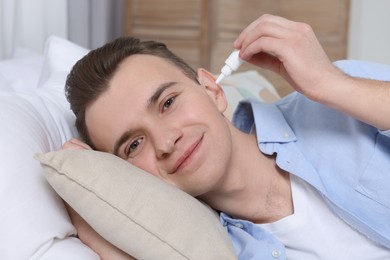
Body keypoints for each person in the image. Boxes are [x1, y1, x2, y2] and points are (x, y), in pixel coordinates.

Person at [62, 14, 390, 259]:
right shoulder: (219, 249)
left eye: (168, 103)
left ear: (212, 89)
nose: (165, 142)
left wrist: (331, 85)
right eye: (134, 145)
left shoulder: (342, 99)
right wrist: (82, 206)